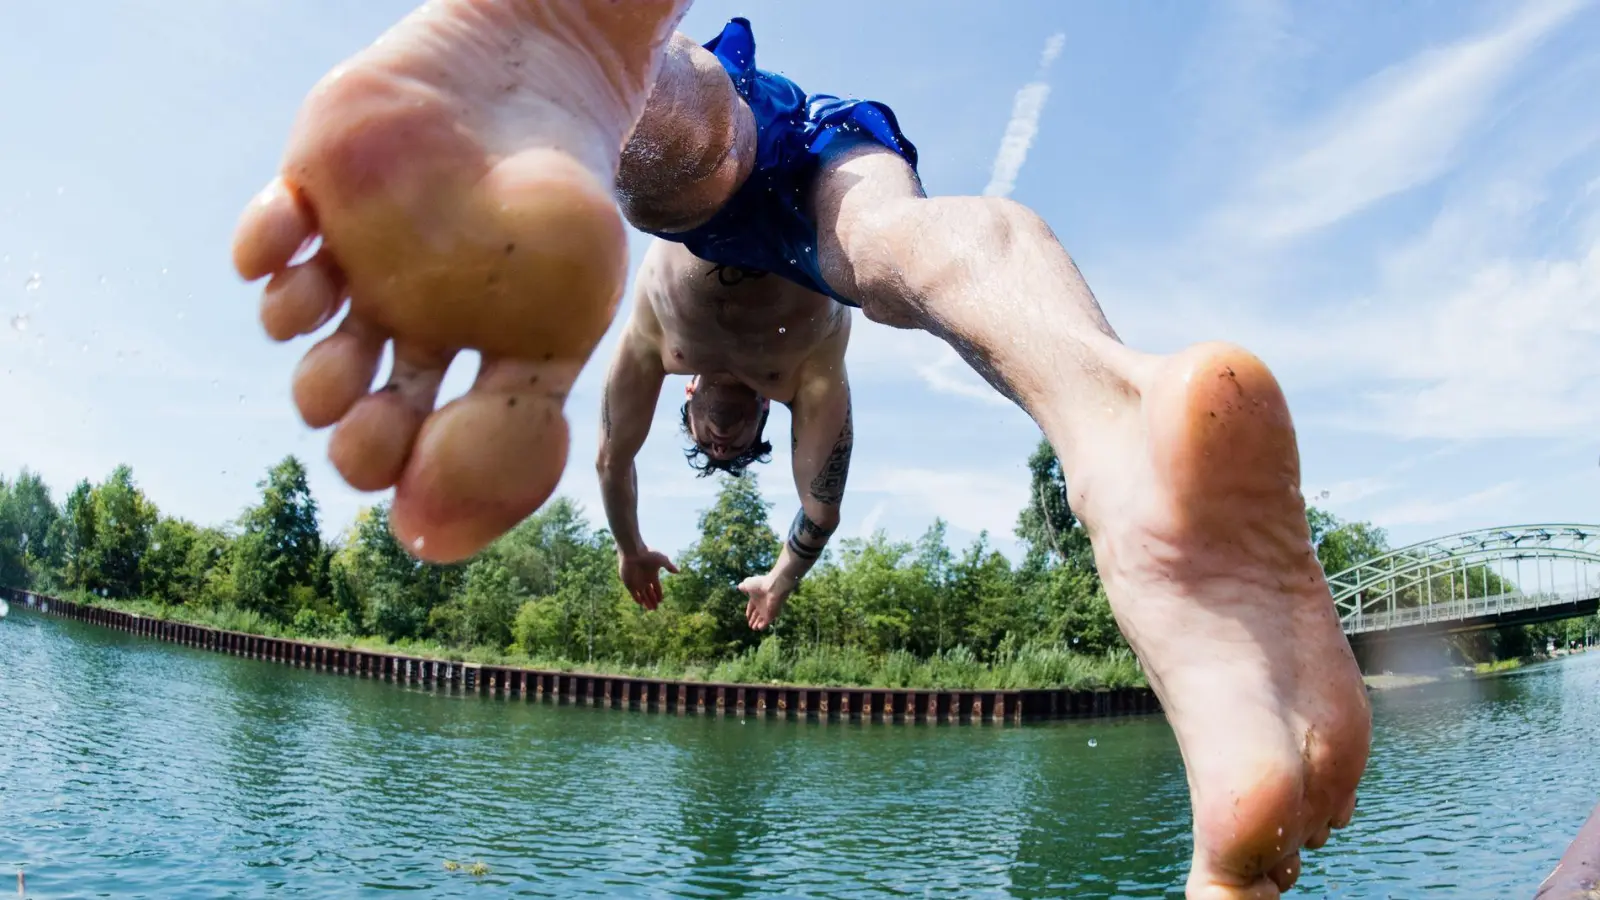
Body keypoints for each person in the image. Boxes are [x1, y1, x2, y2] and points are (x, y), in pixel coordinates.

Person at [229, 3, 1372, 895]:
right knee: (888, 255)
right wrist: (754, 568)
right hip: (823, 212)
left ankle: (586, 64)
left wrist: (653, 543)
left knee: (727, 197)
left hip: (752, 145)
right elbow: (800, 504)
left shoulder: (680, 349)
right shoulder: (777, 369)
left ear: (699, 409)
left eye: (719, 438)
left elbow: (615, 465)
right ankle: (1117, 430)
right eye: (738, 445)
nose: (726, 435)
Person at [596, 237, 854, 631]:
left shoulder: (658, 342)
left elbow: (611, 462)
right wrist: (779, 581)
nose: (719, 443)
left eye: (706, 444)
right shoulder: (802, 374)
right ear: (765, 407)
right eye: (735, 446)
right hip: (801, 223)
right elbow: (821, 511)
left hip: (693, 208)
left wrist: (630, 551)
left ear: (689, 393)